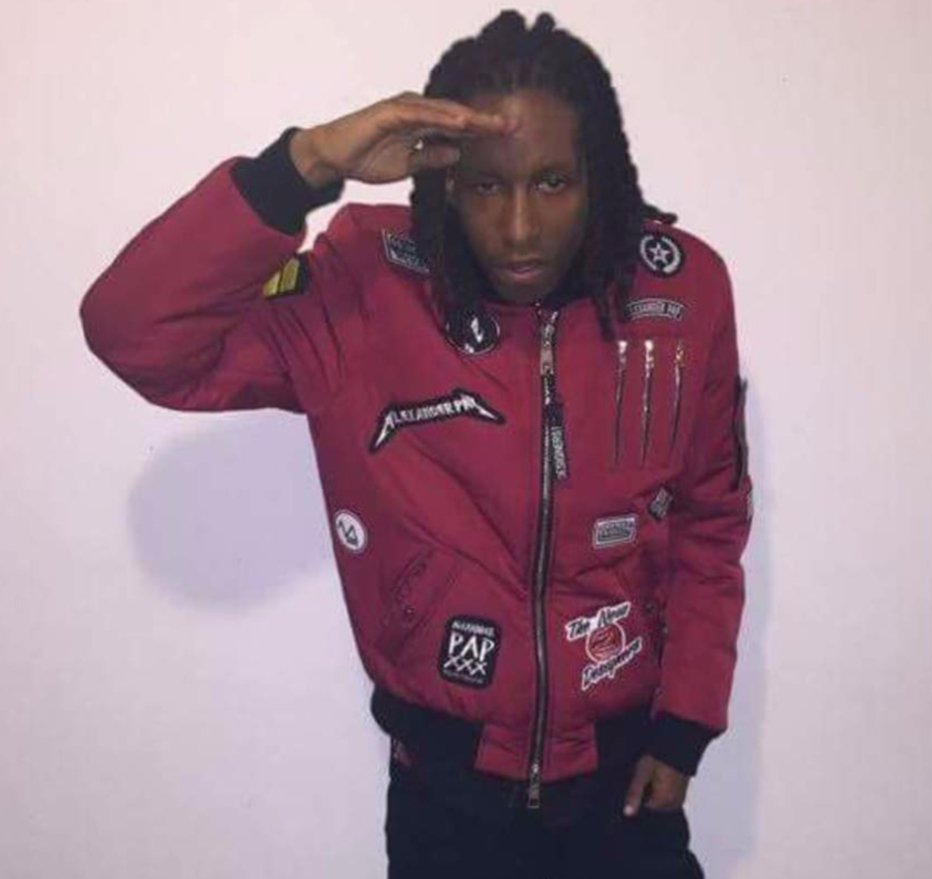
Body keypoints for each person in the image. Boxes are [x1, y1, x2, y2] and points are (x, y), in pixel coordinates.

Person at [80, 10, 753, 878]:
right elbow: (134, 332)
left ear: (600, 176)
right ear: (443, 183)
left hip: (627, 793)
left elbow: (709, 521)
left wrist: (685, 722)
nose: (519, 227)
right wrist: (307, 163)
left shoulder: (682, 291)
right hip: (445, 804)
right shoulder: (365, 290)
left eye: (552, 182)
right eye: (485, 186)